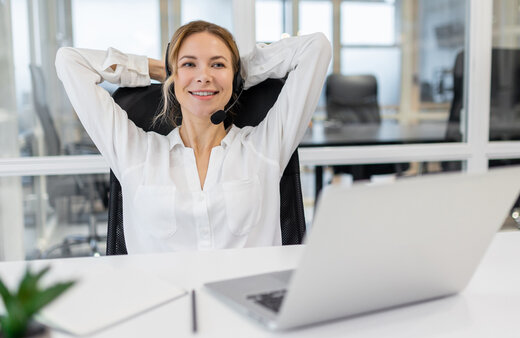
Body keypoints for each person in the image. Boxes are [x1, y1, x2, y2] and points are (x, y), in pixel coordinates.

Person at [55, 20, 331, 253]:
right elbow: (69, 61)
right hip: (162, 312)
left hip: (245, 311)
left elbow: (315, 47)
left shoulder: (264, 147)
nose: (204, 76)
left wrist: (237, 73)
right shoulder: (136, 153)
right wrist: (162, 69)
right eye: (189, 64)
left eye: (217, 65)